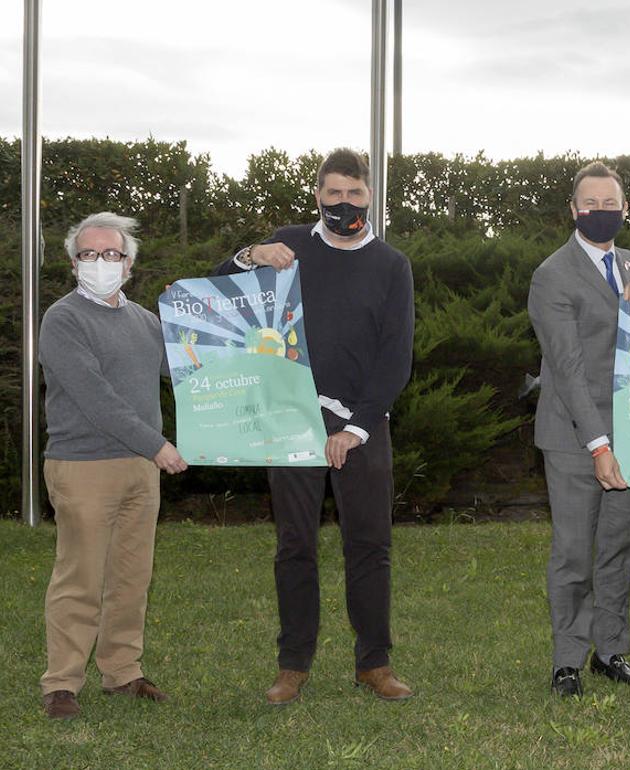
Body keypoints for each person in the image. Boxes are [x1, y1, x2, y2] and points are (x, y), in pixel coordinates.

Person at [215, 148, 415, 704]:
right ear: (318, 197)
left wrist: (356, 428)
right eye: (333, 194)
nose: (343, 203)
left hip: (363, 423)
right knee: (295, 544)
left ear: (369, 196)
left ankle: (374, 663)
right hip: (290, 419)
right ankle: (292, 664)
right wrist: (249, 253)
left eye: (353, 193)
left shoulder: (392, 265)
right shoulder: (288, 246)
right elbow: (214, 292)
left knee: (369, 544)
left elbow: (396, 358)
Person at [38, 212, 188, 720]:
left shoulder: (145, 321)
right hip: (84, 466)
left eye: (110, 254)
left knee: (131, 576)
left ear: (129, 265)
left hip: (139, 468)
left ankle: (123, 672)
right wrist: (159, 446)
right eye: (88, 254)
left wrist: (200, 317)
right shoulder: (62, 320)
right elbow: (96, 399)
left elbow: (191, 369)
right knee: (79, 577)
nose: (99, 262)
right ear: (73, 263)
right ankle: (61, 684)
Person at [528, 161, 630, 697]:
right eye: (590, 204)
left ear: (625, 208)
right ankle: (567, 660)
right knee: (576, 552)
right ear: (573, 210)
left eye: (610, 203)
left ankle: (610, 649)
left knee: (620, 549)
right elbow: (568, 369)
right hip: (575, 436)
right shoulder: (552, 275)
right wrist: (599, 445)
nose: (600, 212)